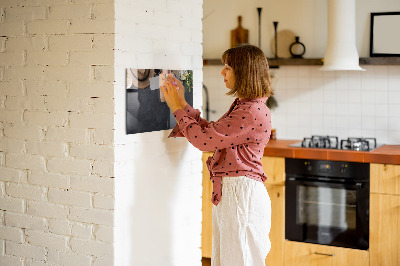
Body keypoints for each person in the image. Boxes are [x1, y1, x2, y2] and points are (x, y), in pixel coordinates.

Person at [161, 44, 273, 266]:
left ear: (244, 72)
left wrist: (176, 107)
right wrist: (182, 103)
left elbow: (204, 141)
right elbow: (212, 133)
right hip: (236, 193)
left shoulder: (250, 111)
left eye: (228, 67)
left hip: (241, 195)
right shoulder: (246, 106)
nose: (222, 72)